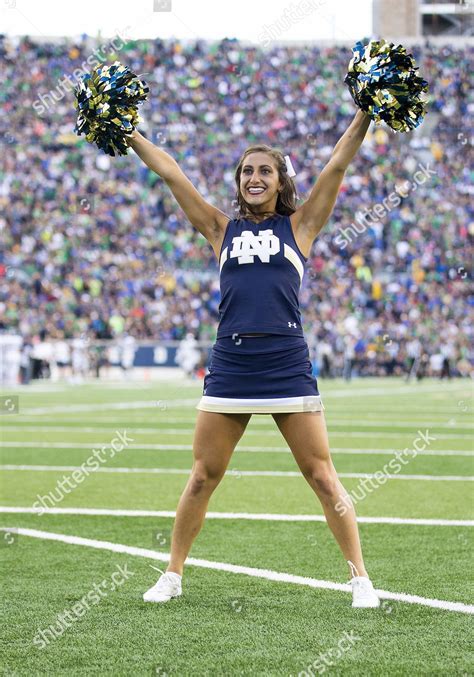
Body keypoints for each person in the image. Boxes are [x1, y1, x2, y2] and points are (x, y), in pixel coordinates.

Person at [129, 109, 380, 609]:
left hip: (286, 360)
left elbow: (336, 165)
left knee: (322, 475)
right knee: (203, 475)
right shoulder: (220, 228)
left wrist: (369, 109)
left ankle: (361, 579)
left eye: (265, 170)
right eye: (246, 171)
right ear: (238, 182)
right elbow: (172, 172)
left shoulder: (301, 225)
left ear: (280, 179)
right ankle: (173, 575)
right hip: (232, 363)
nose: (255, 178)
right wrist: (128, 131)